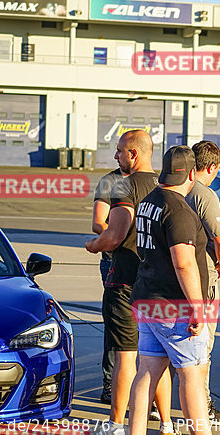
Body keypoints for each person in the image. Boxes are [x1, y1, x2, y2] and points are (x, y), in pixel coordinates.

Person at [85, 130, 176, 435]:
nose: (116, 156)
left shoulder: (125, 185)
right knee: (157, 356)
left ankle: (114, 425)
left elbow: (113, 234)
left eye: (120, 151)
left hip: (125, 283)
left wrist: (96, 244)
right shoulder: (167, 186)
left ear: (134, 154)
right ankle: (166, 423)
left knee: (126, 357)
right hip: (158, 286)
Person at [127, 146, 212, 435]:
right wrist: (197, 308)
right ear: (191, 173)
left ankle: (135, 430)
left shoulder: (149, 201)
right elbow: (184, 263)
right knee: (191, 373)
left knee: (147, 370)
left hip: (147, 298)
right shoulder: (179, 209)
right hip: (174, 306)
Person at [184, 141, 220, 424]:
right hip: (203, 280)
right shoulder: (205, 194)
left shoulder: (176, 190)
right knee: (203, 348)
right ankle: (203, 407)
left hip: (174, 278)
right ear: (212, 167)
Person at [92, 167, 126, 404]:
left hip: (142, 263)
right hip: (114, 261)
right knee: (116, 326)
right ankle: (110, 385)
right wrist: (121, 239)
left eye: (120, 151)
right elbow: (97, 224)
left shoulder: (149, 180)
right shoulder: (110, 181)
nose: (116, 156)